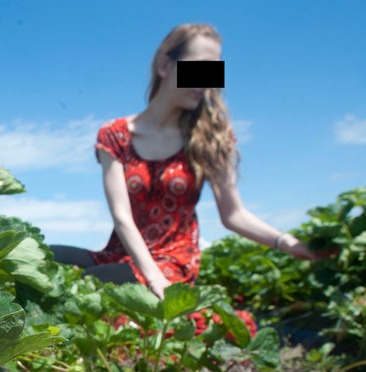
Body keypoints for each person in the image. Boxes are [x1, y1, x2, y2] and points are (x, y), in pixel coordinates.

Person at [50, 23, 320, 299]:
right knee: (44, 259)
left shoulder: (211, 136)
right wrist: (150, 275)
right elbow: (122, 216)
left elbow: (233, 215)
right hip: (121, 254)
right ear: (165, 66)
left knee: (89, 289)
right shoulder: (115, 135)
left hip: (172, 261)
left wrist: (286, 242)